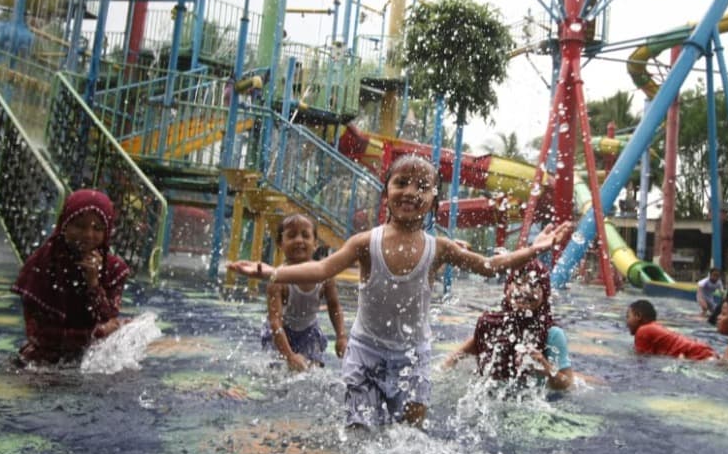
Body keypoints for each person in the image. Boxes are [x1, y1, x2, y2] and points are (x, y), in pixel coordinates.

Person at [228, 154, 573, 429]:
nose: (410, 191)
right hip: (365, 351)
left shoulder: (439, 248)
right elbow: (321, 268)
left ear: (434, 199)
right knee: (359, 429)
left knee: (412, 432)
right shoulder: (366, 243)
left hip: (412, 355)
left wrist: (533, 249)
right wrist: (271, 271)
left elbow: (487, 265)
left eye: (422, 186)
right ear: (387, 192)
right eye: (401, 182)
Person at [11, 189, 130, 364]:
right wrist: (97, 333)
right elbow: (38, 335)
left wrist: (93, 283)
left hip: (93, 362)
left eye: (97, 228)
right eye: (80, 226)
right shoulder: (41, 264)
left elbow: (107, 318)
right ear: (64, 225)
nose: (88, 235)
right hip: (43, 364)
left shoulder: (113, 269)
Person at [443, 261, 573, 391]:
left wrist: (544, 365)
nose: (524, 290)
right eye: (518, 282)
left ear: (545, 293)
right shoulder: (493, 325)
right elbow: (454, 358)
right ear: (507, 288)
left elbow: (567, 384)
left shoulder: (552, 334)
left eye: (533, 284)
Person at [260, 213, 348, 372]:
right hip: (282, 332)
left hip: (309, 332)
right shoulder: (278, 280)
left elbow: (334, 307)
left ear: (315, 243)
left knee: (312, 373)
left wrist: (341, 336)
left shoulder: (325, 276)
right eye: (292, 236)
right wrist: (289, 355)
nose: (299, 240)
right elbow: (275, 322)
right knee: (278, 372)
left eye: (305, 236)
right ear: (280, 243)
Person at [626, 299, 716, 360]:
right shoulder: (653, 328)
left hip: (697, 356)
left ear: (638, 316)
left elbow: (640, 360)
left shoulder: (643, 331)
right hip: (704, 351)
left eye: (628, 316)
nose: (626, 321)